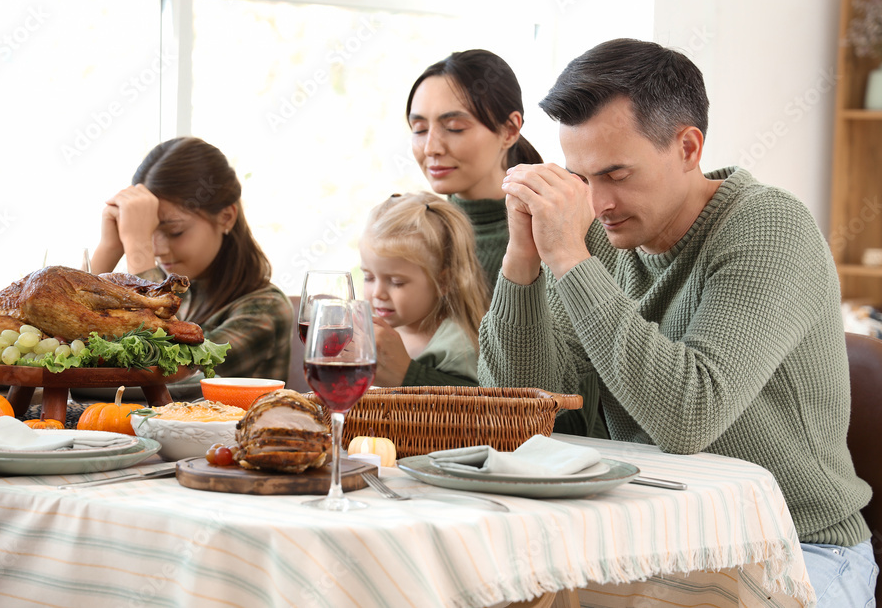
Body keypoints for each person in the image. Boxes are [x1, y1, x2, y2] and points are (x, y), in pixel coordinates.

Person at [481, 38, 877, 605]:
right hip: (652, 544)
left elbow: (689, 416)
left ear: (688, 147)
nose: (597, 202)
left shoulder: (769, 226)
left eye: (616, 173)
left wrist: (568, 257)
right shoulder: (601, 242)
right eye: (581, 177)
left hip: (797, 548)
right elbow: (521, 417)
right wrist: (524, 261)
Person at [90, 136, 292, 382]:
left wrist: (138, 245)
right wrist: (110, 248)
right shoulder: (179, 290)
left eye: (175, 231)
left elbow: (176, 370)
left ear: (226, 217)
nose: (157, 250)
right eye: (149, 232)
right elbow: (73, 340)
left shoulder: (265, 308)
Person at [406, 49, 543, 291]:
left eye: (454, 127)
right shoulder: (416, 233)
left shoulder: (549, 238)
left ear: (510, 130)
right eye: (419, 129)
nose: (431, 148)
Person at [360, 192, 489, 387]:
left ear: (444, 282)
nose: (378, 293)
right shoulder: (375, 331)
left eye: (396, 282)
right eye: (368, 277)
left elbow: (471, 410)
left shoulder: (457, 349)